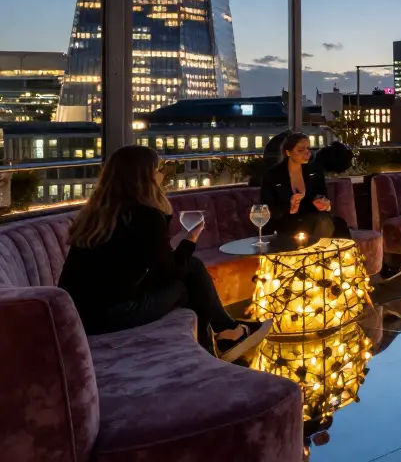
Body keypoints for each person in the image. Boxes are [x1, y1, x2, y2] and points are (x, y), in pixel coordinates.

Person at [58, 145, 271, 360]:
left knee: (191, 274)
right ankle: (221, 340)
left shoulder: (97, 214)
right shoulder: (144, 215)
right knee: (190, 279)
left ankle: (220, 340)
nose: (161, 175)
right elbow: (168, 271)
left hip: (79, 316)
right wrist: (190, 240)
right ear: (146, 176)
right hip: (115, 314)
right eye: (157, 169)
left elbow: (139, 264)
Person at [260, 133, 350, 240]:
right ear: (288, 152)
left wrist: (325, 204)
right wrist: (289, 207)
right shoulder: (273, 175)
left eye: (308, 148)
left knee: (328, 222)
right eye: (300, 150)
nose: (307, 152)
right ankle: (317, 249)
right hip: (285, 224)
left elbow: (323, 197)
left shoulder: (315, 172)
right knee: (324, 223)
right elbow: (266, 208)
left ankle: (312, 249)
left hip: (314, 222)